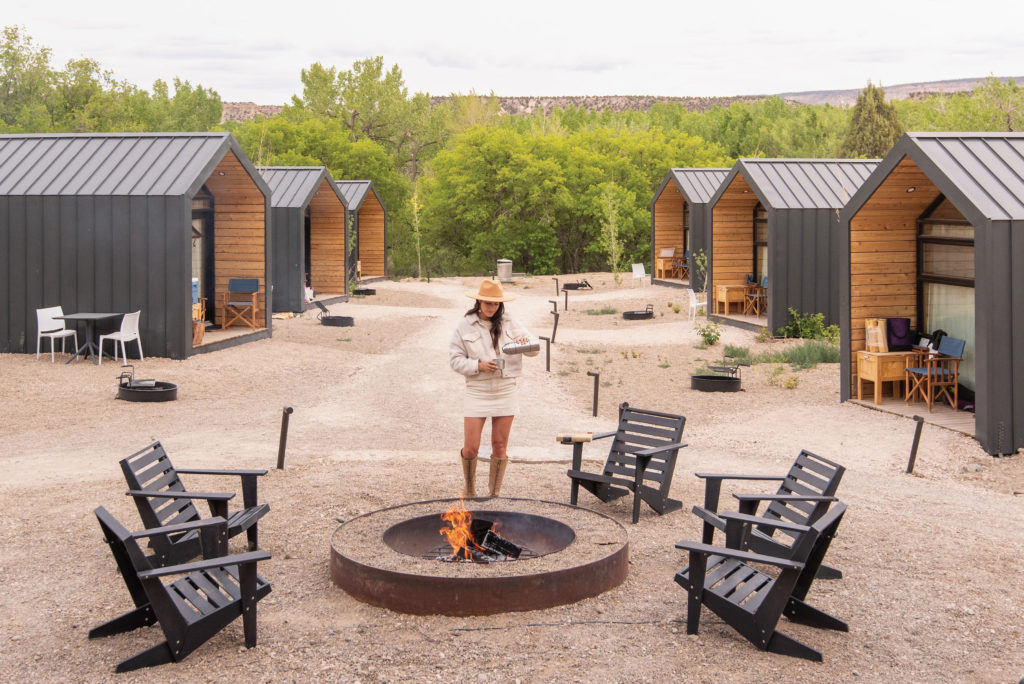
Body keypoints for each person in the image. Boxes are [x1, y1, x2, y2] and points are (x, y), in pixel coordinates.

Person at [449, 279, 538, 498]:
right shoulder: (465, 325)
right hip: (477, 389)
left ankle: (494, 493)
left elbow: (534, 350)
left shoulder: (510, 322)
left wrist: (524, 343)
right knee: (471, 448)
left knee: (499, 444)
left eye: (496, 304)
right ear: (479, 301)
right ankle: (470, 489)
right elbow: (455, 360)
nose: (492, 307)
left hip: (505, 387)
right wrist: (478, 366)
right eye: (488, 303)